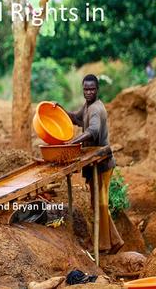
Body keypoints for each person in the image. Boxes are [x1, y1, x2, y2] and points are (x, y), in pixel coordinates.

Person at [57, 74, 124, 254]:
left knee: (101, 204)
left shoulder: (96, 109)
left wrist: (73, 143)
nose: (88, 92)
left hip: (103, 163)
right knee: (97, 203)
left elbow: (93, 131)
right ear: (83, 89)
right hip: (95, 162)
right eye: (86, 89)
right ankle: (115, 241)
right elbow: (76, 119)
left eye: (92, 89)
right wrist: (60, 110)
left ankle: (103, 245)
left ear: (97, 90)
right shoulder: (87, 106)